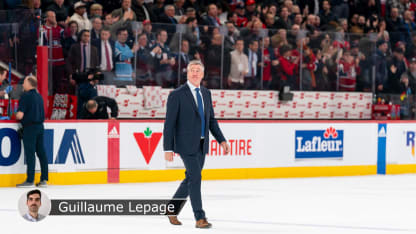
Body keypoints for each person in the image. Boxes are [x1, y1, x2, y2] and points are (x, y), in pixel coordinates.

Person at [163, 60, 230, 229]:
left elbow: (211, 121)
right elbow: (169, 124)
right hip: (185, 144)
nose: (195, 73)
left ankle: (171, 209)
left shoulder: (206, 93)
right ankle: (200, 217)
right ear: (187, 73)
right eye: (192, 70)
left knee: (191, 178)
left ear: (202, 74)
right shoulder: (177, 94)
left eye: (198, 70)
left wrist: (221, 139)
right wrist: (168, 148)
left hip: (202, 144)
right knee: (196, 178)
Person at [16, 76, 48, 188]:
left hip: (30, 128)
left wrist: (15, 115)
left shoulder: (25, 96)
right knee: (41, 153)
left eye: (24, 82)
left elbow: (20, 115)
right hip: (40, 127)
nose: (23, 85)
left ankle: (30, 180)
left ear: (29, 83)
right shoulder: (39, 97)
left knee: (30, 154)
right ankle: (44, 179)